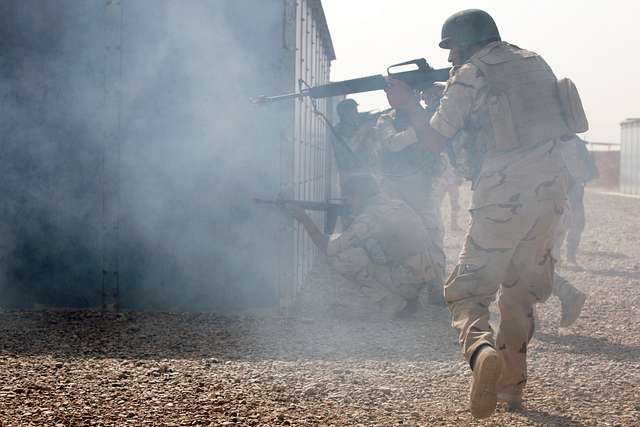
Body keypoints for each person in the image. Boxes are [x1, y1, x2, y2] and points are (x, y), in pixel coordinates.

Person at [385, 9, 582, 417]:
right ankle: (511, 390)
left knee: (466, 292)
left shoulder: (471, 73)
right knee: (518, 293)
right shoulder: (533, 60)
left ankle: (481, 353)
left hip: (503, 193)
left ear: (468, 42)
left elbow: (436, 139)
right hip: (551, 192)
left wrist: (410, 106)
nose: (451, 57)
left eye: (453, 48)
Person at [284, 174, 440, 318]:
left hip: (409, 278)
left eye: (349, 199)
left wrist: (304, 219)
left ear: (359, 196)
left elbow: (329, 249)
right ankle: (410, 299)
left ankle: (393, 303)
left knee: (343, 259)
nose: (349, 204)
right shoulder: (398, 204)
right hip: (426, 273)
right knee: (367, 250)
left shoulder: (369, 218)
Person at [374, 92, 447, 305]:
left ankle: (436, 287)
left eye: (395, 90)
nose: (390, 95)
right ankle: (405, 291)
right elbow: (393, 143)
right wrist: (423, 127)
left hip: (421, 185)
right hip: (396, 186)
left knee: (432, 234)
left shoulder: (429, 115)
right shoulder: (386, 119)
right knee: (398, 236)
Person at [554, 135, 599, 265]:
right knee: (556, 223)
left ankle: (570, 256)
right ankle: (555, 257)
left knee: (578, 223)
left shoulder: (578, 143)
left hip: (575, 190)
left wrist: (583, 177)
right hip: (557, 189)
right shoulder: (551, 141)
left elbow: (588, 167)